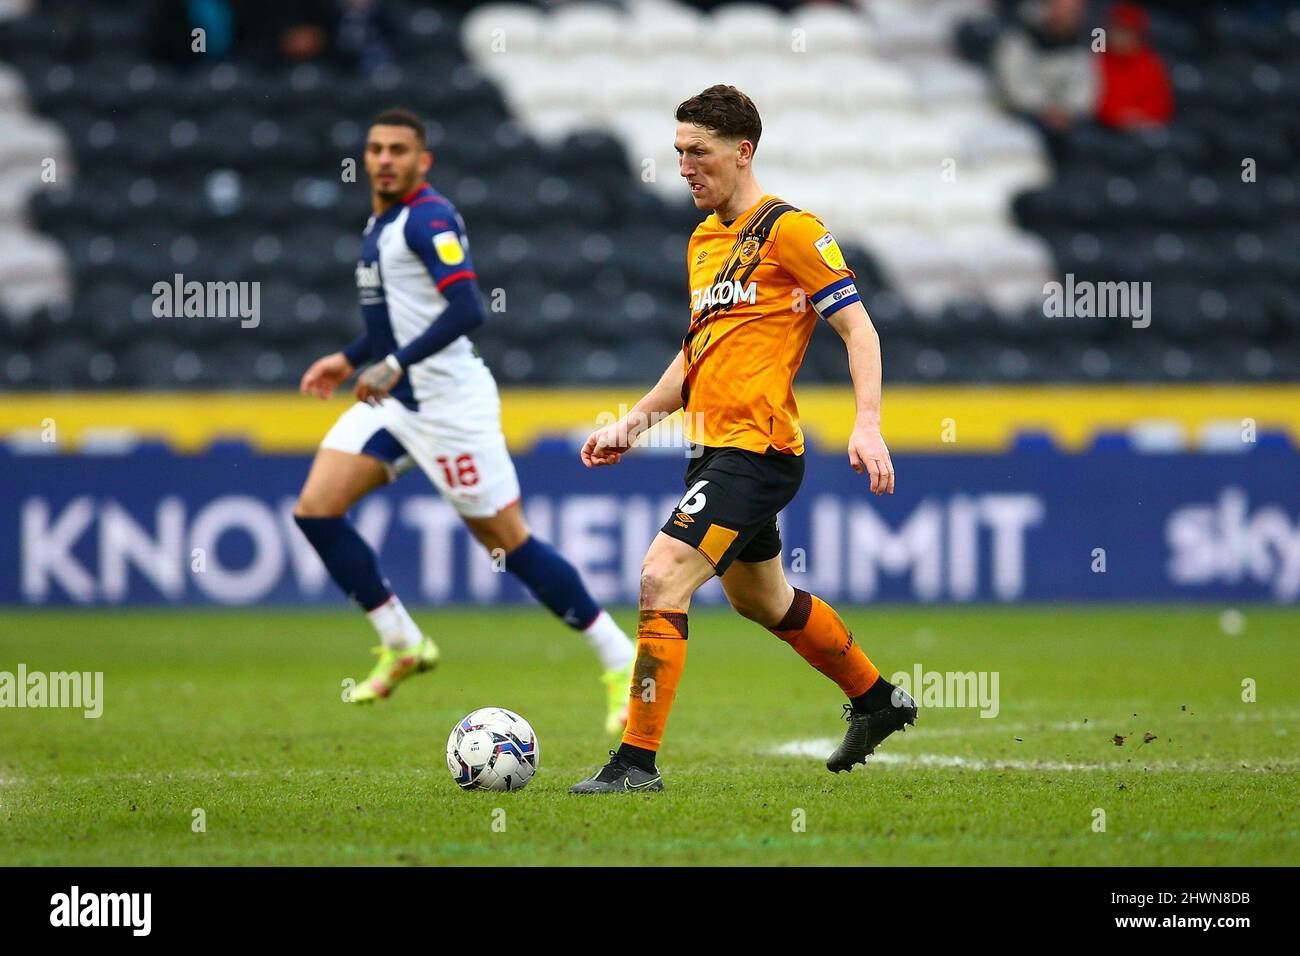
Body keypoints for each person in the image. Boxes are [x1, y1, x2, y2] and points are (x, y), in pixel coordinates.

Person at [568, 85, 916, 794]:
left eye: (698, 153)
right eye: (678, 155)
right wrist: (632, 424)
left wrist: (869, 423)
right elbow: (694, 356)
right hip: (712, 445)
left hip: (759, 450)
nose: (686, 168)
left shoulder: (791, 229)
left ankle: (635, 763)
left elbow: (859, 328)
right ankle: (879, 699)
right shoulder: (703, 241)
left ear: (742, 151)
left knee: (660, 576)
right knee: (763, 600)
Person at [294, 108, 634, 731]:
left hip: (452, 408)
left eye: (399, 149)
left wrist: (392, 361)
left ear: (423, 161)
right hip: (399, 405)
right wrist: (348, 358)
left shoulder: (427, 217)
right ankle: (402, 642)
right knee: (315, 508)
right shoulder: (381, 222)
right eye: (375, 149)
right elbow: (400, 317)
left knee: (509, 543)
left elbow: (467, 307)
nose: (385, 159)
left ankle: (620, 658)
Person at [1095, 2, 1173, 129]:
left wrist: (1140, 118)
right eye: (1118, 30)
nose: (1121, 37)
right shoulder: (1099, 60)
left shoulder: (1151, 63)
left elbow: (1161, 104)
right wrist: (1119, 117)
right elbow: (1094, 100)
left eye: (1128, 32)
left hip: (1144, 129)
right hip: (1105, 127)